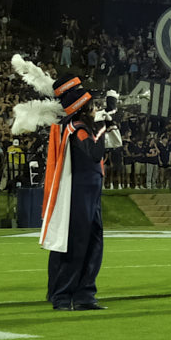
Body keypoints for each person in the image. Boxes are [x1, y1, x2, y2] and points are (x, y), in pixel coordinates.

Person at [38, 74, 121, 310]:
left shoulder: (83, 126)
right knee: (77, 245)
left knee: (93, 244)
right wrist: (104, 126)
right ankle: (63, 296)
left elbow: (112, 145)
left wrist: (107, 123)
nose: (97, 109)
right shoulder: (77, 128)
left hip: (90, 194)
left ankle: (85, 294)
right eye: (93, 106)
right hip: (79, 194)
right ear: (83, 108)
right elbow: (94, 153)